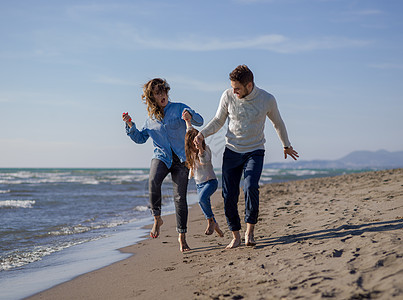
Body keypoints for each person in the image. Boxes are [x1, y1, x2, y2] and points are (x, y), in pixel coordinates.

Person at [194, 65, 299, 249]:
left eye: (237, 88)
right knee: (229, 195)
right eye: (232, 87)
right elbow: (218, 120)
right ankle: (235, 235)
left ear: (249, 85)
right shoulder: (227, 96)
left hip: (255, 150)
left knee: (251, 187)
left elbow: (278, 123)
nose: (233, 91)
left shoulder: (267, 99)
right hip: (232, 151)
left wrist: (286, 145)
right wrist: (202, 134)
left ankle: (249, 232)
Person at [123, 78, 203, 252]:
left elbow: (200, 120)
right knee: (153, 181)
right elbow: (140, 138)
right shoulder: (150, 118)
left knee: (180, 198)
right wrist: (130, 126)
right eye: (158, 93)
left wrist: (190, 114)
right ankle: (157, 219)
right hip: (161, 156)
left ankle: (182, 237)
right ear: (152, 97)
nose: (162, 95)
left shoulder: (179, 107)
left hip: (182, 159)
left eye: (163, 91)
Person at [182, 111, 224, 237]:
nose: (194, 146)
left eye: (196, 142)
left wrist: (200, 148)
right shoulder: (190, 151)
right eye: (192, 144)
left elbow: (204, 160)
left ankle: (210, 221)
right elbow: (189, 130)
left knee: (201, 200)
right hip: (199, 184)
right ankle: (215, 225)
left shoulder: (206, 150)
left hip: (210, 182)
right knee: (205, 204)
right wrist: (187, 120)